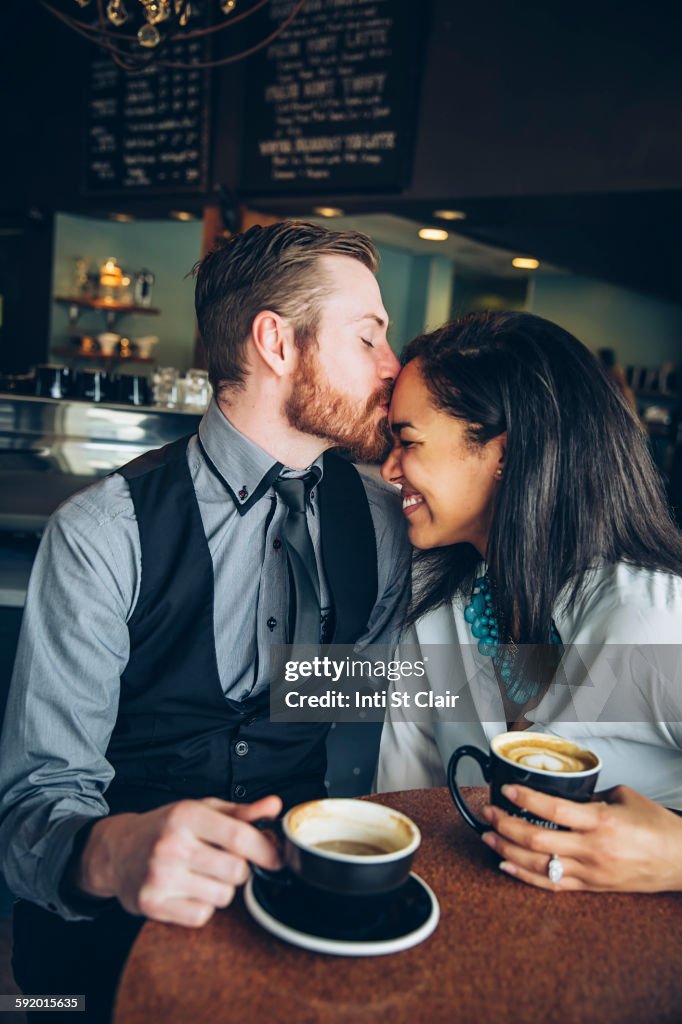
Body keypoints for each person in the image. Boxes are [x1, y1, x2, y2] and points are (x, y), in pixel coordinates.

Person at [0, 221, 410, 1020]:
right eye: (369, 338)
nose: (394, 368)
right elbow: (30, 806)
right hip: (101, 949)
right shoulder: (103, 531)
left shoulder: (387, 524)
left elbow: (354, 701)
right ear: (276, 344)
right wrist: (110, 853)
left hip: (295, 930)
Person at [376, 310, 682, 893]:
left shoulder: (654, 619)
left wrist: (674, 858)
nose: (391, 468)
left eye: (407, 442)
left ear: (507, 455)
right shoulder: (437, 603)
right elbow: (403, 802)